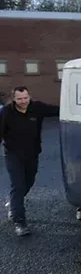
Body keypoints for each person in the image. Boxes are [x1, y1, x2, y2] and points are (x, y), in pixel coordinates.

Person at [0, 86, 60, 236]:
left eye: (25, 98)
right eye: (19, 99)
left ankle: (14, 203)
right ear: (13, 99)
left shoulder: (36, 108)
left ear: (29, 96)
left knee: (29, 182)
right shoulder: (6, 112)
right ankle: (19, 222)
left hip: (32, 154)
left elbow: (58, 110)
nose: (23, 101)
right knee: (18, 185)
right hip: (13, 155)